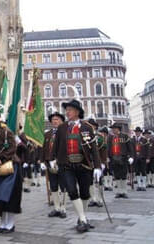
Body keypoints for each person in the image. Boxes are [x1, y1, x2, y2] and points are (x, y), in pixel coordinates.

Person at [51, 99, 101, 233]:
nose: (67, 112)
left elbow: (94, 149)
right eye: (66, 110)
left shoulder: (87, 127)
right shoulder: (62, 127)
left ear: (77, 112)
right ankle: (83, 219)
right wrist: (52, 159)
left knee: (85, 193)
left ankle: (82, 217)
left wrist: (97, 167)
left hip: (84, 165)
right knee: (72, 191)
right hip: (66, 165)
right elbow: (56, 145)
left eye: (70, 110)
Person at [41, 111, 67, 218]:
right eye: (53, 120)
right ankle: (56, 208)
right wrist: (42, 161)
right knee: (53, 186)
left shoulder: (66, 133)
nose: (55, 121)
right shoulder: (47, 134)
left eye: (57, 119)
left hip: (62, 163)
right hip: (49, 163)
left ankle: (63, 208)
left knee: (63, 186)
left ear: (61, 121)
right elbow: (43, 148)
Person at [107, 123, 133, 198]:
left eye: (114, 128)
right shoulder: (110, 137)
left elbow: (130, 147)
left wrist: (131, 156)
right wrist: (108, 157)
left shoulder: (125, 136)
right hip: (114, 158)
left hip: (123, 158)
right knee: (117, 175)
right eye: (112, 128)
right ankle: (118, 191)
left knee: (123, 175)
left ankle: (124, 191)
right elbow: (108, 148)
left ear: (118, 129)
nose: (113, 130)